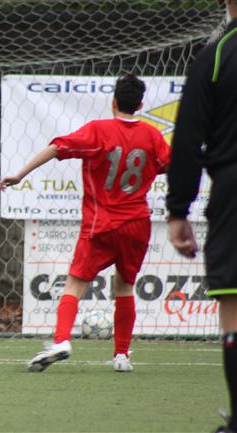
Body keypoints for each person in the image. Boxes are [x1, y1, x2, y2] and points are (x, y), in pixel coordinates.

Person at [0, 74, 170, 373]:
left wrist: (20, 174)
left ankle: (62, 341)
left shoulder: (98, 131)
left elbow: (57, 147)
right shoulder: (152, 136)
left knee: (75, 283)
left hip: (102, 224)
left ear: (113, 102)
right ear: (140, 105)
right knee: (125, 285)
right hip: (137, 224)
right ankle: (121, 356)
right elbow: (170, 163)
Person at [166, 1, 237, 431]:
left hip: (233, 191)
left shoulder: (216, 55)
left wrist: (178, 209)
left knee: (234, 304)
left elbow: (188, 137)